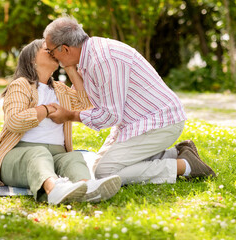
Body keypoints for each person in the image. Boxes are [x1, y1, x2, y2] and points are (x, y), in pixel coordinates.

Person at [43, 16, 216, 185]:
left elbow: (110, 116)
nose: (52, 57)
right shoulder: (89, 56)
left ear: (65, 49)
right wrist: (70, 69)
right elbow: (87, 103)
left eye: (51, 52)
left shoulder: (103, 60)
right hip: (137, 123)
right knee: (96, 166)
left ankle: (185, 166)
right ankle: (177, 153)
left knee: (105, 172)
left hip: (159, 122)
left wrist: (70, 116)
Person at [0, 39, 121, 204]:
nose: (53, 51)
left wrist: (70, 67)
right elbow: (14, 121)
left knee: (73, 158)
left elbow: (86, 103)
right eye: (47, 49)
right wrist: (45, 110)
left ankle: (88, 188)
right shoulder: (21, 85)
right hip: (18, 157)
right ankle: (53, 189)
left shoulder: (60, 89)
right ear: (32, 59)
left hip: (55, 155)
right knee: (38, 154)